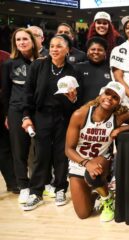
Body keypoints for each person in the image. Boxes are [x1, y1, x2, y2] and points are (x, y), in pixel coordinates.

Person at [65, 81, 129, 222]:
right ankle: (97, 192)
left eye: (115, 97)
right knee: (83, 214)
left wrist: (120, 129)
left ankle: (107, 200)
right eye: (107, 93)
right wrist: (86, 162)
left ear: (118, 102)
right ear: (101, 94)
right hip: (79, 161)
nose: (109, 98)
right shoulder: (80, 114)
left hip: (102, 159)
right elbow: (68, 149)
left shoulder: (120, 116)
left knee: (93, 174)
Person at [21, 34, 81, 210]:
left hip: (64, 117)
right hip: (42, 116)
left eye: (59, 46)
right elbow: (28, 92)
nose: (55, 49)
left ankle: (60, 187)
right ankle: (36, 192)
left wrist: (73, 98)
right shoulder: (38, 65)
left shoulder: (73, 70)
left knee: (61, 155)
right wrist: (26, 115)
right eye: (52, 46)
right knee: (41, 155)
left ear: (67, 49)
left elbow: (78, 99)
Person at [1, 28, 40, 203]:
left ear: (33, 40)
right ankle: (23, 186)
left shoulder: (42, 62)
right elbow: (5, 93)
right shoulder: (9, 64)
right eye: (18, 40)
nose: (22, 42)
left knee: (41, 150)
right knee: (19, 150)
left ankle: (41, 184)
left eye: (25, 39)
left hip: (39, 110)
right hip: (16, 110)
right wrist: (7, 115)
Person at [0, 49, 18, 194]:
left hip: (2, 107)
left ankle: (12, 183)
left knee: (4, 148)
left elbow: (7, 88)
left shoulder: (5, 57)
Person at [75, 37, 111, 105]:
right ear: (88, 51)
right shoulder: (78, 68)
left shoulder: (111, 69)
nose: (96, 52)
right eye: (93, 49)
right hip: (83, 111)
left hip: (105, 111)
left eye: (100, 50)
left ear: (105, 53)